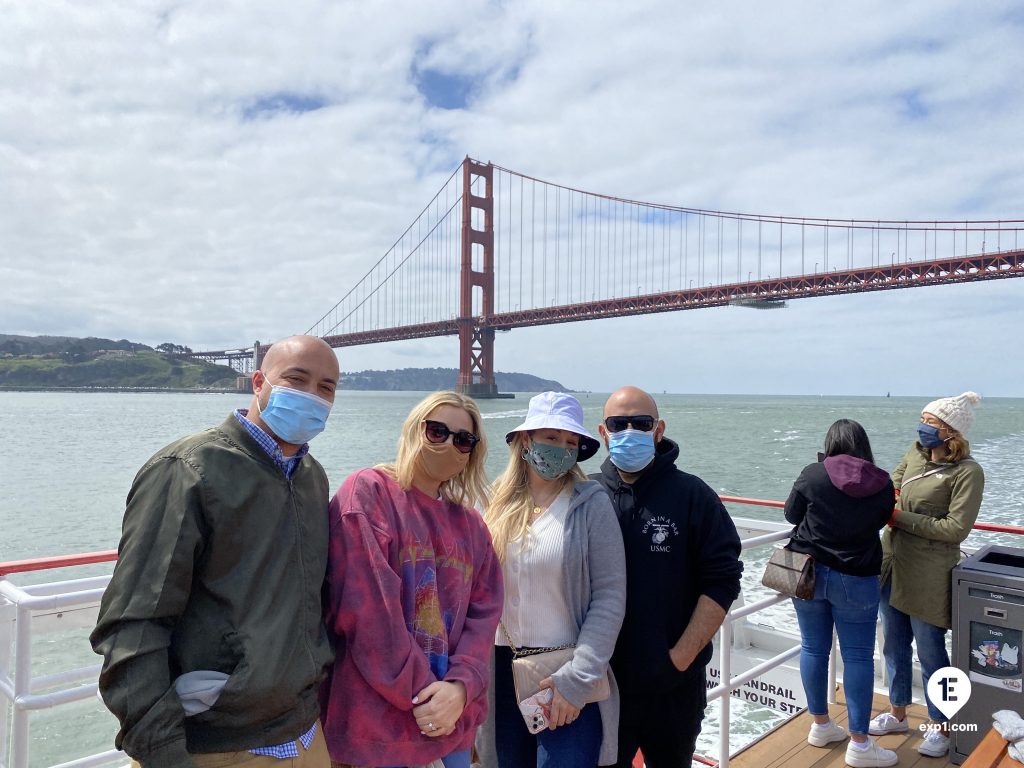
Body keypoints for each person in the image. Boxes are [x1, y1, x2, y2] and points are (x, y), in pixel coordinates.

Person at [91, 335, 341, 768]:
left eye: (326, 388)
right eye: (296, 379)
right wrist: (165, 755)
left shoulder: (312, 478)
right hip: (213, 747)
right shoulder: (188, 469)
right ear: (258, 382)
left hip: (303, 735)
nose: (311, 396)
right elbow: (133, 625)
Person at [320, 391, 504, 768]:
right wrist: (425, 696)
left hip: (451, 721)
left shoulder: (471, 524)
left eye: (463, 439)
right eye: (436, 431)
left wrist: (460, 687)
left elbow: (484, 616)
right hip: (377, 728)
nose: (449, 443)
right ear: (412, 430)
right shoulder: (368, 493)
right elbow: (365, 614)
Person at [592, 386, 743, 768]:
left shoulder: (694, 496)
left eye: (640, 423)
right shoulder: (586, 494)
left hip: (673, 685)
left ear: (658, 430)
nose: (629, 430)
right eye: (618, 423)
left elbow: (723, 579)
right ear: (602, 431)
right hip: (599, 683)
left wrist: (680, 657)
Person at [482, 391, 626, 768]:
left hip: (565, 673)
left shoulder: (591, 503)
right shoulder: (494, 502)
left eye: (571, 442)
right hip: (501, 674)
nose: (562, 449)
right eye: (552, 438)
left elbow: (609, 597)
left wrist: (576, 681)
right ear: (526, 440)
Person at [869, 392, 985, 757]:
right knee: (894, 645)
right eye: (923, 418)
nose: (923, 426)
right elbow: (891, 487)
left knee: (932, 652)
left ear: (951, 431)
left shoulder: (967, 472)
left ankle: (942, 727)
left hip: (929, 573)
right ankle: (898, 713)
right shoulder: (914, 453)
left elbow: (955, 529)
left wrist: (898, 516)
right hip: (893, 564)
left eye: (930, 421)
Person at [784, 420, 897, 768]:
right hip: (856, 578)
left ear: (830, 443)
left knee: (813, 648)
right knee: (858, 657)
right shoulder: (881, 481)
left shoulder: (813, 473)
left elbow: (791, 514)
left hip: (809, 573)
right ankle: (860, 745)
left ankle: (820, 726)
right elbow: (881, 519)